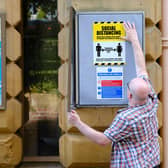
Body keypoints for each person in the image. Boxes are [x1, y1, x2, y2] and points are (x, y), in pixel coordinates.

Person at [68, 22, 160, 168]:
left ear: (129, 95)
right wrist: (134, 39)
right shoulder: (151, 98)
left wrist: (77, 123)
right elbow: (141, 69)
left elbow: (103, 140)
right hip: (151, 162)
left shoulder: (126, 118)